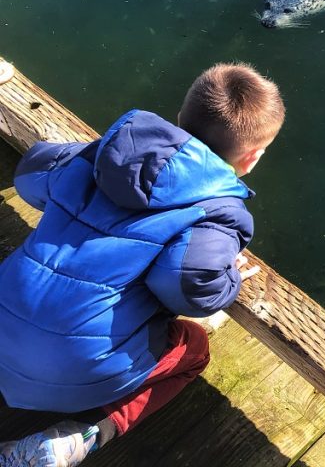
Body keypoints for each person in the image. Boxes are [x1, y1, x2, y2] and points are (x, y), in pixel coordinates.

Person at [0, 63, 285, 467]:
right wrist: (230, 276)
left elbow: (30, 174)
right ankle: (86, 434)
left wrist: (85, 170)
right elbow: (189, 289)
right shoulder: (218, 212)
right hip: (74, 373)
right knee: (195, 348)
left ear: (180, 118)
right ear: (253, 157)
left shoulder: (103, 155)